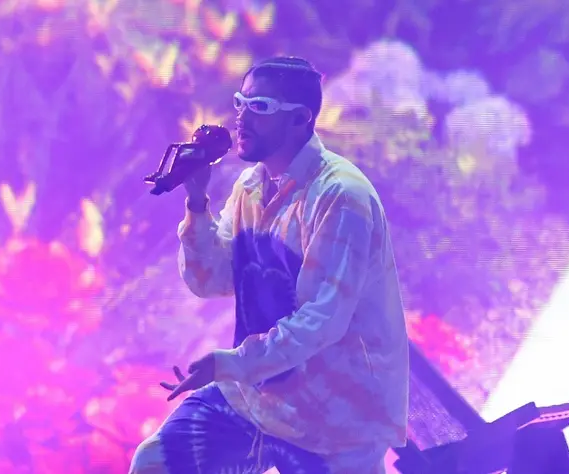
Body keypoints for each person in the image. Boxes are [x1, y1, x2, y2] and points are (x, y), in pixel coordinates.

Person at [130, 56, 409, 474]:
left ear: (301, 120)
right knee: (156, 464)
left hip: (333, 424)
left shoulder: (340, 197)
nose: (240, 118)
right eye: (240, 102)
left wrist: (231, 363)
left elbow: (322, 321)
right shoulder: (252, 185)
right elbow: (213, 279)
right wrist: (196, 202)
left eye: (259, 108)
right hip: (255, 400)